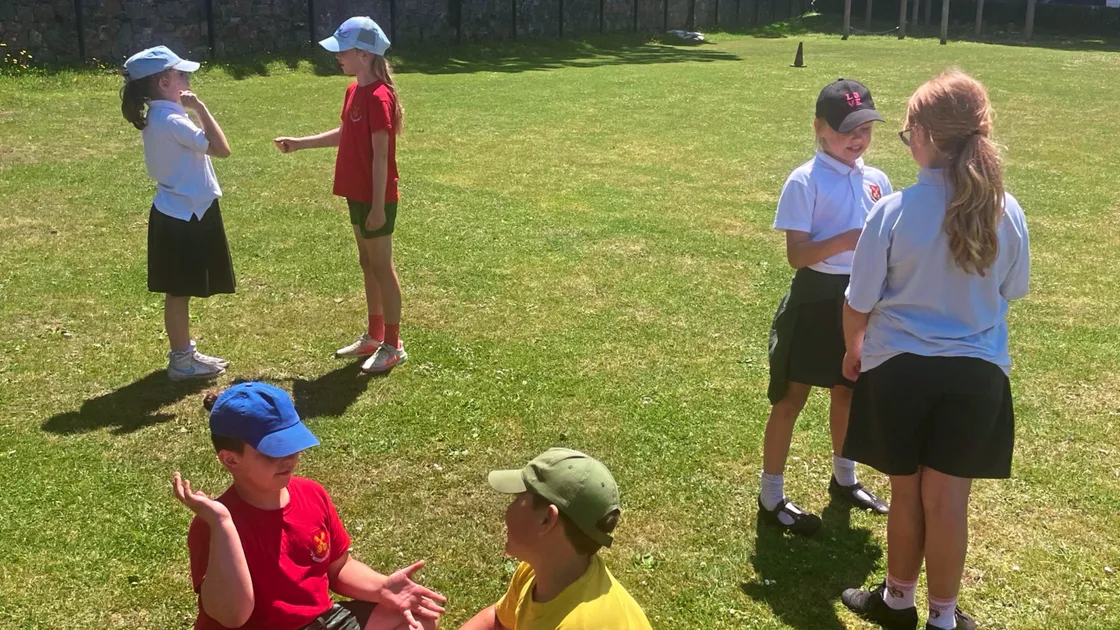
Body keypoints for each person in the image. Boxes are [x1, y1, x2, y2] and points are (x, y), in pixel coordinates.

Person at [839, 71, 1030, 630]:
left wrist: (854, 348)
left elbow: (859, 300)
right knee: (948, 502)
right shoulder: (1008, 211)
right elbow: (1011, 291)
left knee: (906, 493)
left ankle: (898, 601)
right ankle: (943, 618)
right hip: (977, 377)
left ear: (923, 135)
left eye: (905, 133)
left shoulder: (893, 212)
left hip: (899, 372)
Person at [172, 381, 446, 630]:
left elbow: (338, 568)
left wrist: (381, 587)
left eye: (293, 445)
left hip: (318, 621)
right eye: (274, 451)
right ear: (231, 460)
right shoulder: (212, 525)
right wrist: (222, 524)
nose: (289, 458)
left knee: (419, 616)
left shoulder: (311, 493)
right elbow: (232, 616)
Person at [758, 79, 892, 536]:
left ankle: (845, 477)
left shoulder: (878, 181)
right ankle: (771, 494)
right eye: (844, 131)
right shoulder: (804, 180)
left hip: (858, 300)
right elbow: (796, 255)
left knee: (848, 389)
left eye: (864, 129)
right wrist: (846, 240)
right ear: (818, 128)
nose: (856, 139)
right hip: (815, 298)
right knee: (791, 398)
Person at [274, 17, 407, 374]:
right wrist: (300, 143)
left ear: (364, 55)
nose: (337, 57)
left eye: (342, 51)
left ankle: (394, 345)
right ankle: (375, 335)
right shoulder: (353, 91)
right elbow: (346, 133)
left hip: (376, 197)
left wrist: (378, 206)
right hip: (356, 192)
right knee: (367, 264)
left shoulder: (380, 97)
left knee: (382, 266)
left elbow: (382, 156)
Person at [120, 46, 234, 381]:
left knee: (178, 289)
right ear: (165, 81)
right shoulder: (171, 120)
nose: (188, 79)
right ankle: (181, 359)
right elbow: (222, 149)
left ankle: (183, 353)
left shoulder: (158, 116)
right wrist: (200, 108)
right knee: (179, 290)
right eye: (182, 74)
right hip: (186, 215)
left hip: (177, 210)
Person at [458, 448, 653, 629]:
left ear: (547, 520)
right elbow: (499, 622)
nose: (507, 510)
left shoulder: (581, 623)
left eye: (517, 498)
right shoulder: (539, 571)